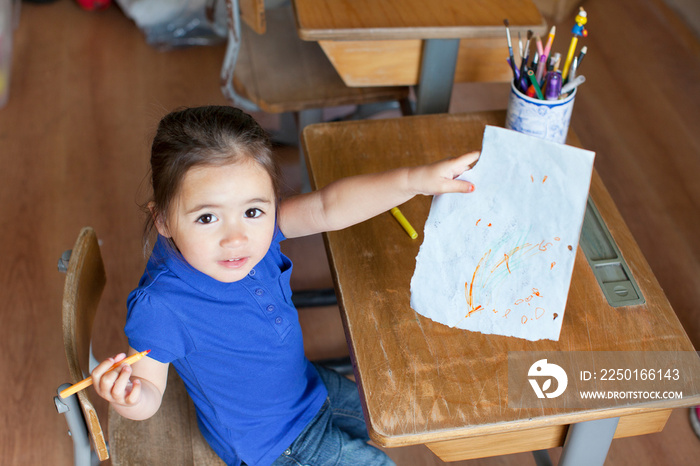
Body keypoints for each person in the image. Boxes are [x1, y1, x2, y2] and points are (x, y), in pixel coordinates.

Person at [91, 106, 479, 466]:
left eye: (253, 211)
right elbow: (149, 393)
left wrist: (415, 180)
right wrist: (128, 396)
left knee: (401, 414)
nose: (237, 238)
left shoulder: (255, 238)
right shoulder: (161, 306)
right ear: (162, 221)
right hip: (272, 441)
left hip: (305, 386)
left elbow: (328, 206)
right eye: (207, 218)